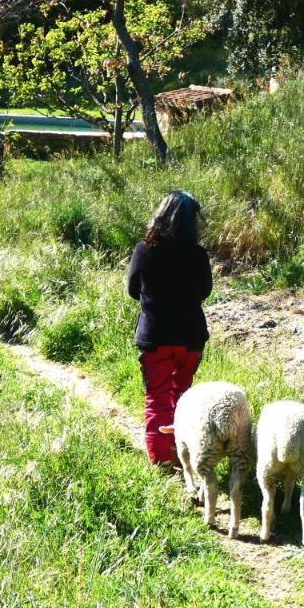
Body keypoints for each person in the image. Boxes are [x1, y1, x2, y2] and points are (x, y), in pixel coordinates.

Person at [126, 191, 212, 466]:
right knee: (182, 398)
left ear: (159, 215)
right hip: (190, 339)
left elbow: (132, 290)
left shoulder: (144, 250)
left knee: (157, 399)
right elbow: (205, 291)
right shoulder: (198, 255)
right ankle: (181, 454)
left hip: (156, 338)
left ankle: (161, 461)